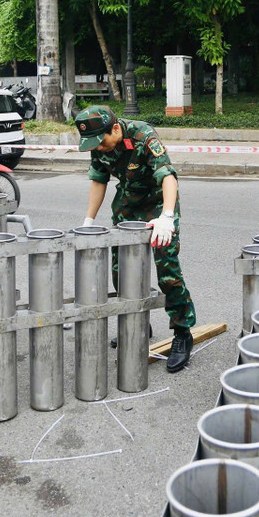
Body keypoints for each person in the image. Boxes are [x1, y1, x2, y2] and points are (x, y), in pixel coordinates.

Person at [77, 105, 196, 372]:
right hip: (128, 205)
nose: (100, 148)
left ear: (115, 128)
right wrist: (88, 221)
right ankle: (136, 322)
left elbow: (168, 176)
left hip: (158, 203)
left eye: (102, 141)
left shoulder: (143, 135)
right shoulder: (98, 144)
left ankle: (182, 332)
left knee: (167, 267)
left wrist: (167, 216)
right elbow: (99, 181)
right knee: (121, 270)